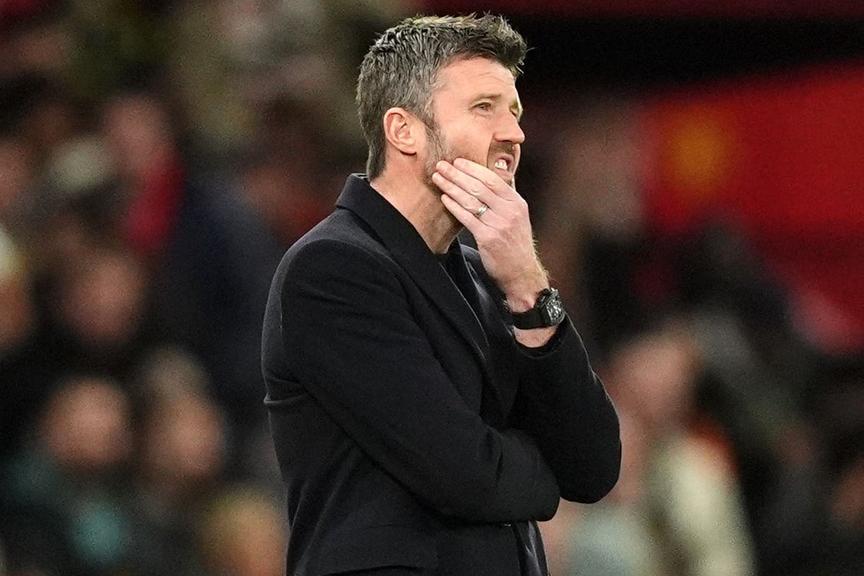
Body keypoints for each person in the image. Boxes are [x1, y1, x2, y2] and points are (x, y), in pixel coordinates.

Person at [261, 14, 621, 576]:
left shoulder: (491, 273)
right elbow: (465, 475)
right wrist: (548, 469)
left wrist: (530, 286)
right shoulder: (331, 269)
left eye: (515, 111)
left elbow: (594, 467)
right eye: (485, 108)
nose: (515, 134)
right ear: (403, 130)